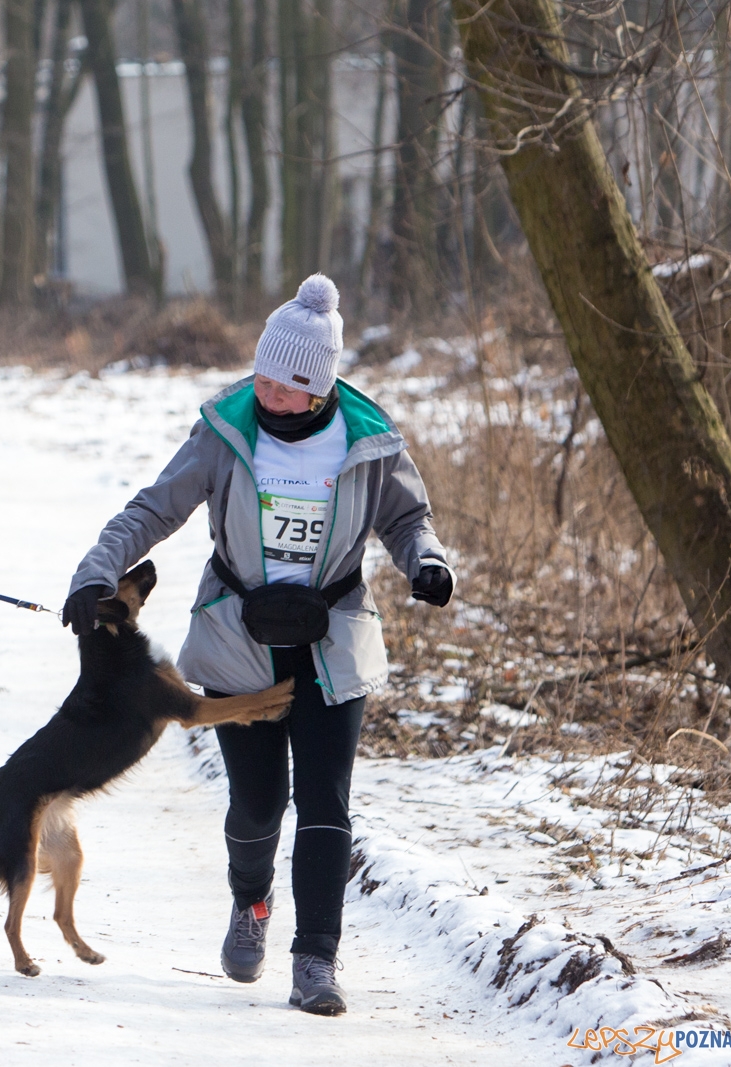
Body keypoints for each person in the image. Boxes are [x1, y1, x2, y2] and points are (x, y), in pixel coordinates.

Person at [61, 274, 453, 1017]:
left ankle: (316, 961)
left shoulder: (368, 439)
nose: (264, 390)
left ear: (318, 387)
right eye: (263, 372)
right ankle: (251, 898)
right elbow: (154, 508)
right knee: (256, 804)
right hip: (239, 641)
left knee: (327, 804)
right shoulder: (225, 430)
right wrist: (97, 573)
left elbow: (409, 519)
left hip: (331, 644)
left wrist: (427, 562)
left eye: (283, 384)